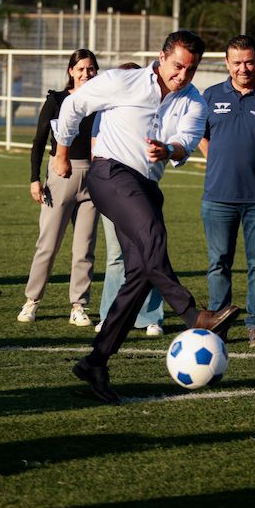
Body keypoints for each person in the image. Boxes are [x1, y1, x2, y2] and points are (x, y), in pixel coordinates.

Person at [52, 31, 240, 404]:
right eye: (177, 65)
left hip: (146, 187)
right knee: (153, 235)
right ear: (161, 56)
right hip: (109, 173)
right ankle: (193, 316)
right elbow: (72, 106)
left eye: (191, 69)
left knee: (140, 272)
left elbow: (185, 143)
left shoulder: (194, 102)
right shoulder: (122, 81)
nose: (182, 75)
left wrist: (166, 149)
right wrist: (60, 153)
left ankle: (96, 361)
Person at [198, 35, 255, 348]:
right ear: (226, 63)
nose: (243, 68)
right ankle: (219, 323)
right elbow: (201, 135)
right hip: (218, 196)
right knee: (218, 263)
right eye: (237, 62)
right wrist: (219, 163)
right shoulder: (210, 95)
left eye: (249, 61)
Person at [17, 49, 100, 327]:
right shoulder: (57, 100)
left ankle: (79, 305)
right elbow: (39, 141)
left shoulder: (101, 101)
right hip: (61, 174)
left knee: (84, 248)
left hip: (93, 178)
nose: (86, 74)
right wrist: (34, 178)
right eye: (81, 69)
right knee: (48, 245)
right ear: (70, 71)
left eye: (91, 69)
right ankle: (32, 301)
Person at [92, 62, 164, 337]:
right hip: (114, 192)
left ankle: (151, 317)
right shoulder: (108, 108)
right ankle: (110, 315)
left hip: (144, 193)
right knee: (116, 256)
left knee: (150, 253)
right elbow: (94, 147)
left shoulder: (151, 111)